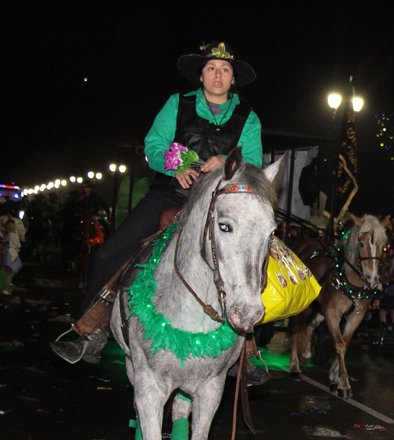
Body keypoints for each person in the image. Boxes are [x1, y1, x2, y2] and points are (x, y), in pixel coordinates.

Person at [51, 41, 263, 373]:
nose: (217, 75)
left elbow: (253, 162)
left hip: (218, 203)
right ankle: (88, 332)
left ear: (233, 78)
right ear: (201, 75)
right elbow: (154, 143)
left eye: (224, 69)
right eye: (211, 68)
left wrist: (226, 161)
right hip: (169, 196)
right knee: (108, 256)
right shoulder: (177, 104)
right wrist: (174, 167)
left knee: (257, 259)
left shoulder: (248, 119)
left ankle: (247, 353)